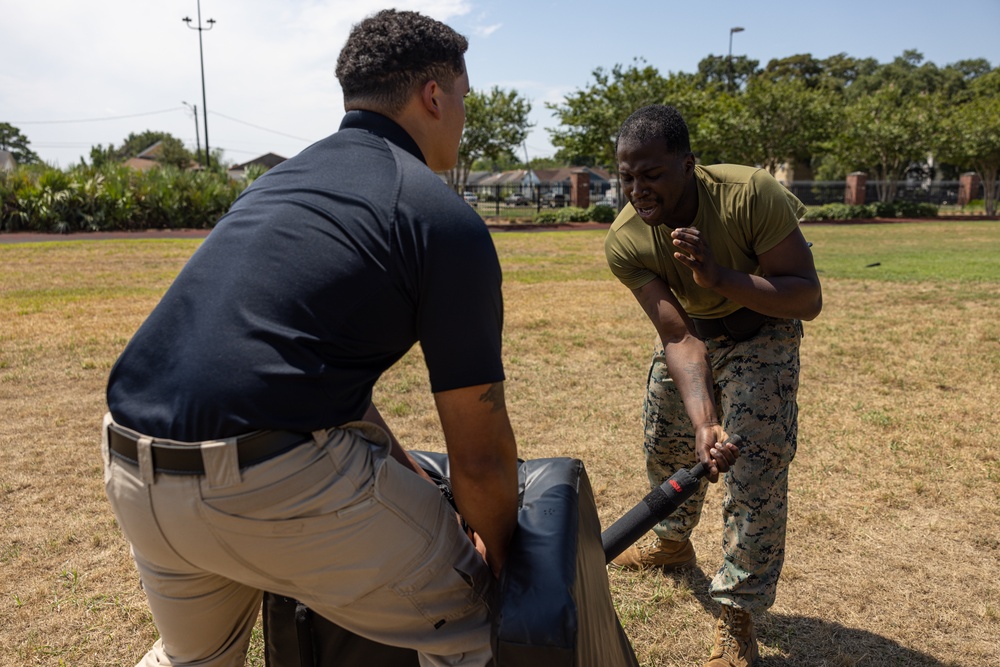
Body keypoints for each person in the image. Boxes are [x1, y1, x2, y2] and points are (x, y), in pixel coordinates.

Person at [101, 9, 520, 667]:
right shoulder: (441, 217)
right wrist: (502, 564)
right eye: (463, 100)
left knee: (192, 658)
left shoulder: (280, 185)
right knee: (483, 623)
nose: (462, 120)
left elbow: (302, 366)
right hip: (263, 483)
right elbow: (480, 460)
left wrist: (412, 479)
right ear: (433, 97)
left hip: (132, 469)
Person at [604, 105, 822, 667]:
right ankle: (673, 543)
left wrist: (718, 277)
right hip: (697, 335)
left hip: (762, 329)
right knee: (667, 440)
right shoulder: (626, 239)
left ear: (687, 165)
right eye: (626, 176)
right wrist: (704, 421)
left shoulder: (749, 193)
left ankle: (739, 614)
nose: (637, 189)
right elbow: (677, 335)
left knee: (753, 465)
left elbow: (806, 296)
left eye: (650, 174)